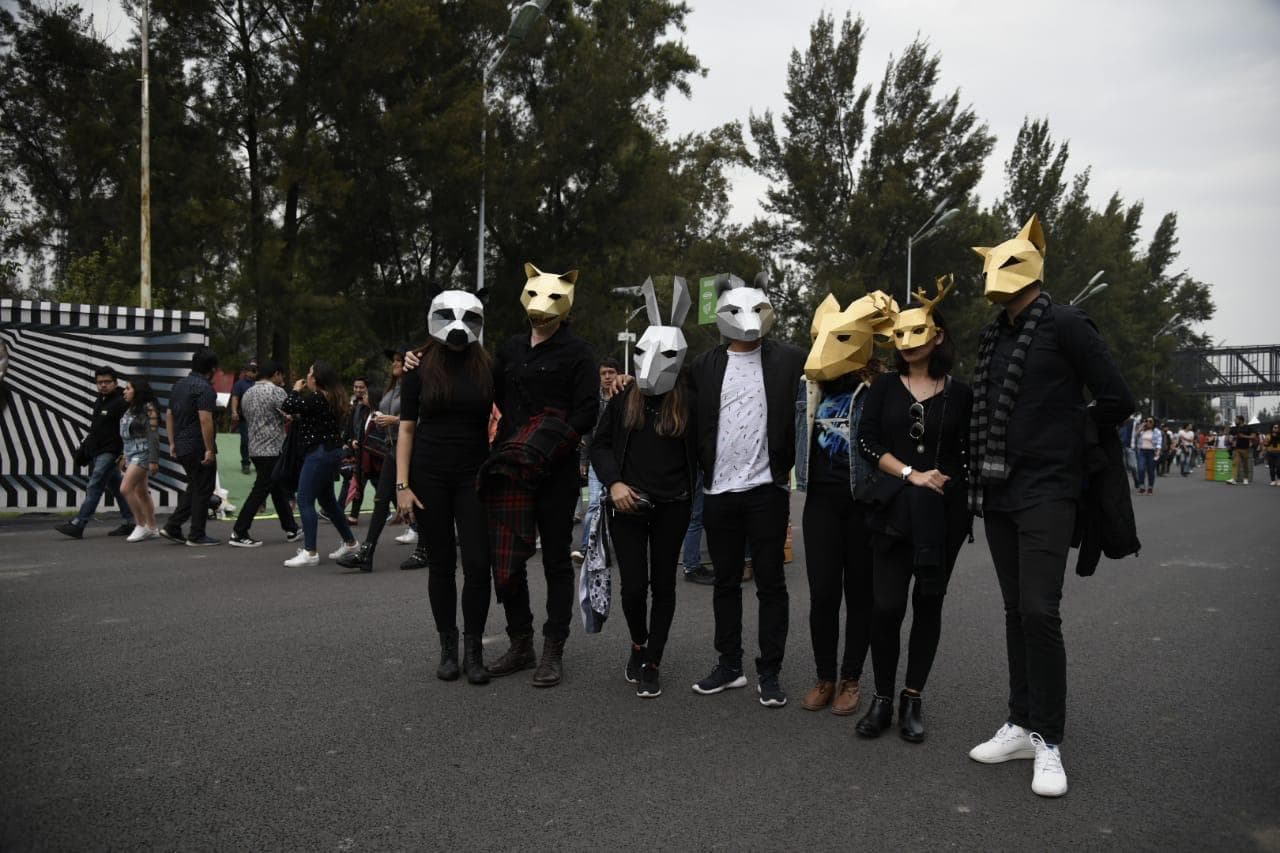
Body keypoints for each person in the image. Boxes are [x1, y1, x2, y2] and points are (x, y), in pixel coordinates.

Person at [967, 215, 1135, 798]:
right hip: (999, 493)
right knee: (1015, 610)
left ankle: (1049, 739)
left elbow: (1118, 397)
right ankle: (1019, 721)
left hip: (1049, 491)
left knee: (1040, 611)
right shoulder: (994, 335)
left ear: (1032, 263)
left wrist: (1073, 433)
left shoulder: (1066, 323)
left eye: (1008, 262)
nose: (995, 273)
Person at [853, 278, 973, 742]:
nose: (905, 344)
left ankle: (912, 696)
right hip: (891, 510)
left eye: (916, 334)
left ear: (938, 335)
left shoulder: (960, 393)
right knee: (885, 607)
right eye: (898, 336)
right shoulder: (884, 386)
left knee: (929, 603)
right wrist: (909, 473)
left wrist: (946, 479)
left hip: (942, 515)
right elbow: (866, 442)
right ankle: (881, 698)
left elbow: (968, 448)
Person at [688, 272, 805, 708]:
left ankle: (769, 671)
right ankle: (730, 664)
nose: (748, 318)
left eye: (757, 308)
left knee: (772, 583)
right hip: (719, 491)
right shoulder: (703, 366)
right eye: (737, 310)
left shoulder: (789, 359)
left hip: (766, 489)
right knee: (725, 582)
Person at [479, 264, 597, 688]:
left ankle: (553, 649)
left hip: (555, 468)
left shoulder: (579, 352)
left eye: (551, 300)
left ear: (566, 303)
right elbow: (484, 391)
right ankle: (521, 642)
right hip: (510, 468)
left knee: (555, 562)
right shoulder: (509, 349)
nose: (540, 309)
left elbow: (587, 411)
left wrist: (549, 442)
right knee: (507, 563)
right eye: (534, 297)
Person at [589, 277, 696, 698]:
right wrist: (614, 482)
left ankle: (654, 657)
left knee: (663, 585)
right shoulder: (622, 399)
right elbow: (598, 444)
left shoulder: (691, 399)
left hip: (674, 506)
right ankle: (638, 641)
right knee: (633, 588)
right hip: (629, 505)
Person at [795, 290, 897, 717]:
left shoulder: (879, 389)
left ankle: (852, 679)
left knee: (860, 595)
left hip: (862, 505)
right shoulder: (809, 388)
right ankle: (824, 675)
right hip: (819, 503)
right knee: (821, 594)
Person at [396, 291, 495, 683]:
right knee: (440, 565)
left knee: (476, 565)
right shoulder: (417, 368)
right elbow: (406, 428)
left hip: (474, 476)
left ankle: (474, 651)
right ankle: (448, 648)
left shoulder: (488, 367)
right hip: (429, 475)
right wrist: (402, 485)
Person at [279, 362, 361, 566]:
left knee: (305, 499)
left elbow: (288, 406)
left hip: (318, 453)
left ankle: (310, 551)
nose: (307, 377)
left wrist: (295, 390)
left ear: (315, 379)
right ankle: (350, 543)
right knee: (328, 502)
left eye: (309, 373)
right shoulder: (333, 397)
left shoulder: (316, 397)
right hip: (331, 452)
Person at [336, 348, 407, 571]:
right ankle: (367, 551)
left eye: (399, 360)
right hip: (392, 449)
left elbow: (424, 418)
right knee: (381, 498)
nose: (394, 364)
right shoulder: (392, 388)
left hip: (412, 450)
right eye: (393, 360)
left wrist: (395, 420)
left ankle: (426, 548)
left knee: (418, 500)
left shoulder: (416, 386)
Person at [56, 366, 136, 539]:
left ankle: (79, 524)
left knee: (95, 485)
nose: (103, 385)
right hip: (98, 451)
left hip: (111, 451)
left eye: (107, 382)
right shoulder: (100, 399)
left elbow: (128, 430)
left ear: (115, 383)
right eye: (100, 382)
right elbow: (97, 428)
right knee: (117, 487)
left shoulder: (122, 402)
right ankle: (131, 522)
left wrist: (123, 454)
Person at [228, 361, 301, 547]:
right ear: (276, 374)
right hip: (272, 448)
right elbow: (293, 410)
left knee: (275, 488)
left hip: (254, 447)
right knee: (260, 491)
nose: (282, 380)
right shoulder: (276, 392)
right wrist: (295, 392)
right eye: (281, 376)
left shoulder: (248, 392)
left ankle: (291, 528)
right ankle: (239, 531)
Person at [160, 348, 221, 546]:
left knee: (195, 486)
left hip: (182, 443)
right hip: (198, 444)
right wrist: (209, 448)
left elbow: (169, 415)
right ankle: (197, 534)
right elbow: (205, 419)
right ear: (212, 368)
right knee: (204, 488)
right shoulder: (205, 389)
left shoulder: (179, 385)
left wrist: (172, 442)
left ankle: (173, 526)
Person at [572, 357, 621, 565]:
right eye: (604, 373)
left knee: (618, 508)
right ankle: (586, 548)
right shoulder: (593, 399)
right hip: (597, 459)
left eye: (611, 372)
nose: (608, 377)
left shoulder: (626, 396)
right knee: (593, 504)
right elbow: (587, 433)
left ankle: (615, 547)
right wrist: (583, 460)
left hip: (621, 461)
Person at [118, 379, 162, 542]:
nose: (124, 391)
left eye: (128, 388)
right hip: (130, 453)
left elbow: (153, 436)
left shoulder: (148, 409)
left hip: (142, 453)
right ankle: (152, 528)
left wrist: (153, 460)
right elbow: (126, 436)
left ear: (138, 390)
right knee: (141, 492)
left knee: (125, 488)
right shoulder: (130, 409)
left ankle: (140, 524)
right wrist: (124, 456)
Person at [338, 377, 371, 523]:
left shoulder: (371, 406)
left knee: (377, 483)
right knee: (357, 480)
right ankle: (350, 514)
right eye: (356, 387)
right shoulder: (355, 405)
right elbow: (351, 427)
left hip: (370, 451)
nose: (358, 389)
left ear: (366, 388)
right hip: (358, 449)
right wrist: (350, 441)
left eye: (361, 387)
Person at [228, 361, 258, 475]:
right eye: (252, 370)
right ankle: (245, 463)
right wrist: (234, 411)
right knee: (245, 441)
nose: (254, 372)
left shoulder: (260, 384)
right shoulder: (239, 384)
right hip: (244, 418)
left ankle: (259, 463)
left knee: (258, 442)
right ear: (246, 371)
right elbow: (235, 398)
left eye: (255, 370)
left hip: (259, 418)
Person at [1132, 416, 1161, 495]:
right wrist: (1142, 426)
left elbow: (1159, 443)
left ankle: (1150, 488)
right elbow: (1135, 435)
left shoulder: (1156, 431)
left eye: (1150, 421)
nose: (1148, 422)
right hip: (1142, 452)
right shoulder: (1142, 431)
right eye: (1147, 421)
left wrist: (1158, 452)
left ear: (1154, 423)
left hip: (1152, 452)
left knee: (1150, 471)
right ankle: (1142, 487)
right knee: (1141, 469)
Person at [1228, 415, 1256, 485]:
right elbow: (1229, 437)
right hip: (1236, 449)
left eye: (1236, 419)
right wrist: (1231, 438)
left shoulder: (1248, 427)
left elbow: (1253, 436)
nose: (1235, 421)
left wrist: (1243, 436)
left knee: (1245, 464)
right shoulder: (1234, 428)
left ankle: (1245, 478)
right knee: (1234, 463)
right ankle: (1234, 479)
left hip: (1245, 449)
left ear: (1240, 420)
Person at [1117, 413, 1141, 489]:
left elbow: (1137, 431)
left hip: (1130, 447)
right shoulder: (1119, 422)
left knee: (1133, 466)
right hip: (1120, 448)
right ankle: (1122, 485)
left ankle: (1136, 480)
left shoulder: (1133, 421)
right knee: (1122, 467)